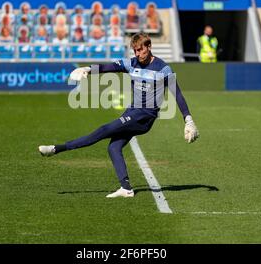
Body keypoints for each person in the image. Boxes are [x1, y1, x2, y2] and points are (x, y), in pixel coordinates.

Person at [38, 33, 199, 198]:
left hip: (144, 116)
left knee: (103, 130)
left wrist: (188, 120)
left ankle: (56, 149)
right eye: (135, 50)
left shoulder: (163, 68)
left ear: (149, 47)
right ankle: (126, 188)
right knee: (114, 147)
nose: (137, 54)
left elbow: (177, 94)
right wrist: (87, 69)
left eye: (140, 50)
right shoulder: (132, 63)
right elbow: (108, 68)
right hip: (132, 112)